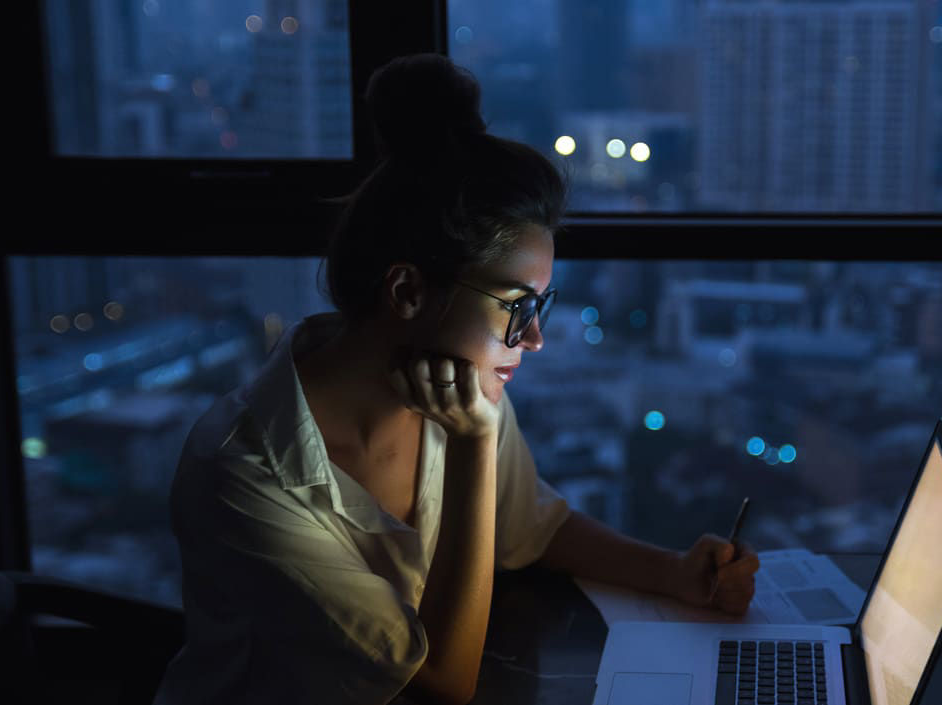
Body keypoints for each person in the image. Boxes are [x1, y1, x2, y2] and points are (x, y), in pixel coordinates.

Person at [152, 53, 760, 705]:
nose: (533, 337)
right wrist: (471, 445)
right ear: (409, 290)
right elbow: (440, 683)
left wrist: (673, 573)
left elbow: (532, 525)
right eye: (516, 305)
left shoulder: (465, 390)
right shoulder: (243, 470)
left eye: (541, 305)